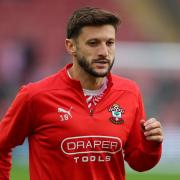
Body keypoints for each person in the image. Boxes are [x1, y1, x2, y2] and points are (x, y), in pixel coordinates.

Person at [0, 7, 163, 180]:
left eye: (110, 43)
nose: (103, 52)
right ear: (71, 46)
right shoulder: (35, 95)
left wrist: (151, 145)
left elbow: (140, 162)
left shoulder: (129, 92)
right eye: (93, 43)